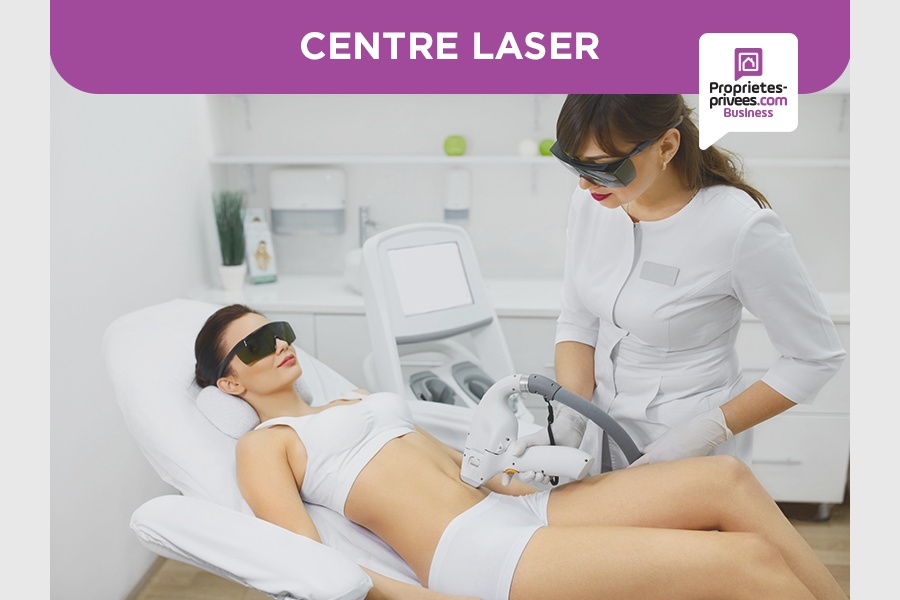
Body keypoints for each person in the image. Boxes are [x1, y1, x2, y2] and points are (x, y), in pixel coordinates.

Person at [194, 303, 847, 600]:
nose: (279, 345)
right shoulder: (265, 445)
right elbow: (309, 562)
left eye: (278, 331)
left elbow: (460, 466)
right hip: (474, 551)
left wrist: (520, 472)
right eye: (255, 346)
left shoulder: (356, 399)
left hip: (514, 509)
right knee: (746, 562)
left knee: (724, 478)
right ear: (230, 383)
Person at [515, 94, 846, 472]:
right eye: (574, 164)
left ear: (667, 146)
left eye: (604, 167)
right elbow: (579, 321)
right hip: (598, 432)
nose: (585, 184)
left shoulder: (738, 226)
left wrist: (706, 431)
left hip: (686, 446)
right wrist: (572, 416)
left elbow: (814, 358)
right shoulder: (593, 202)